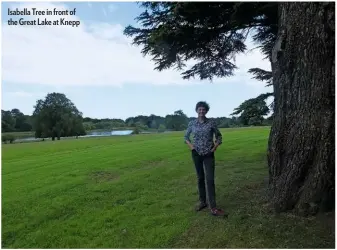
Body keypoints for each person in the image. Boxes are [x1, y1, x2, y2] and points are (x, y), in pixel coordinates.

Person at [184, 101, 225, 216]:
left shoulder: (211, 122)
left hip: (208, 154)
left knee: (210, 180)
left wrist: (214, 148)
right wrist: (192, 147)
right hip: (196, 154)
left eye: (203, 109)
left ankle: (213, 207)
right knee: (200, 178)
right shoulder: (192, 123)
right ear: (196, 110)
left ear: (206, 111)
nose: (201, 111)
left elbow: (219, 136)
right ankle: (203, 202)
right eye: (199, 109)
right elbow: (186, 137)